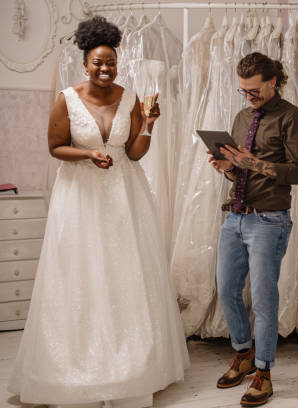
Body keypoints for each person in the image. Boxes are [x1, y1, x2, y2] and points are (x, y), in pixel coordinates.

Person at [8, 16, 189, 407]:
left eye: (111, 63)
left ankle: (132, 363)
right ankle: (76, 365)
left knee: (125, 273)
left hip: (125, 196)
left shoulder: (130, 96)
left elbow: (135, 154)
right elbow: (55, 146)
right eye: (98, 63)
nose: (105, 69)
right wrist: (87, 153)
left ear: (117, 62)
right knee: (81, 272)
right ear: (85, 63)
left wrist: (149, 127)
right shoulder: (67, 99)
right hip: (80, 197)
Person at [208, 52, 298, 407]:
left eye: (253, 90)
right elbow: (240, 172)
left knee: (264, 301)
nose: (248, 96)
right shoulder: (240, 117)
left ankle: (264, 374)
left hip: (269, 219)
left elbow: (297, 172)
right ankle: (243, 353)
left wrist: (251, 162)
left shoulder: (293, 117)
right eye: (243, 91)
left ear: (272, 82)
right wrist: (227, 167)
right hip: (235, 216)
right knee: (227, 290)